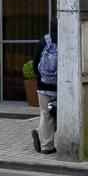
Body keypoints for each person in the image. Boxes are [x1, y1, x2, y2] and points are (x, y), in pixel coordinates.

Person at [32, 25, 59, 155]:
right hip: (61, 87)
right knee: (59, 116)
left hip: (43, 86)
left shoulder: (44, 40)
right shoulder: (67, 39)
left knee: (46, 114)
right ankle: (46, 145)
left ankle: (43, 139)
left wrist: (40, 78)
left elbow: (35, 63)